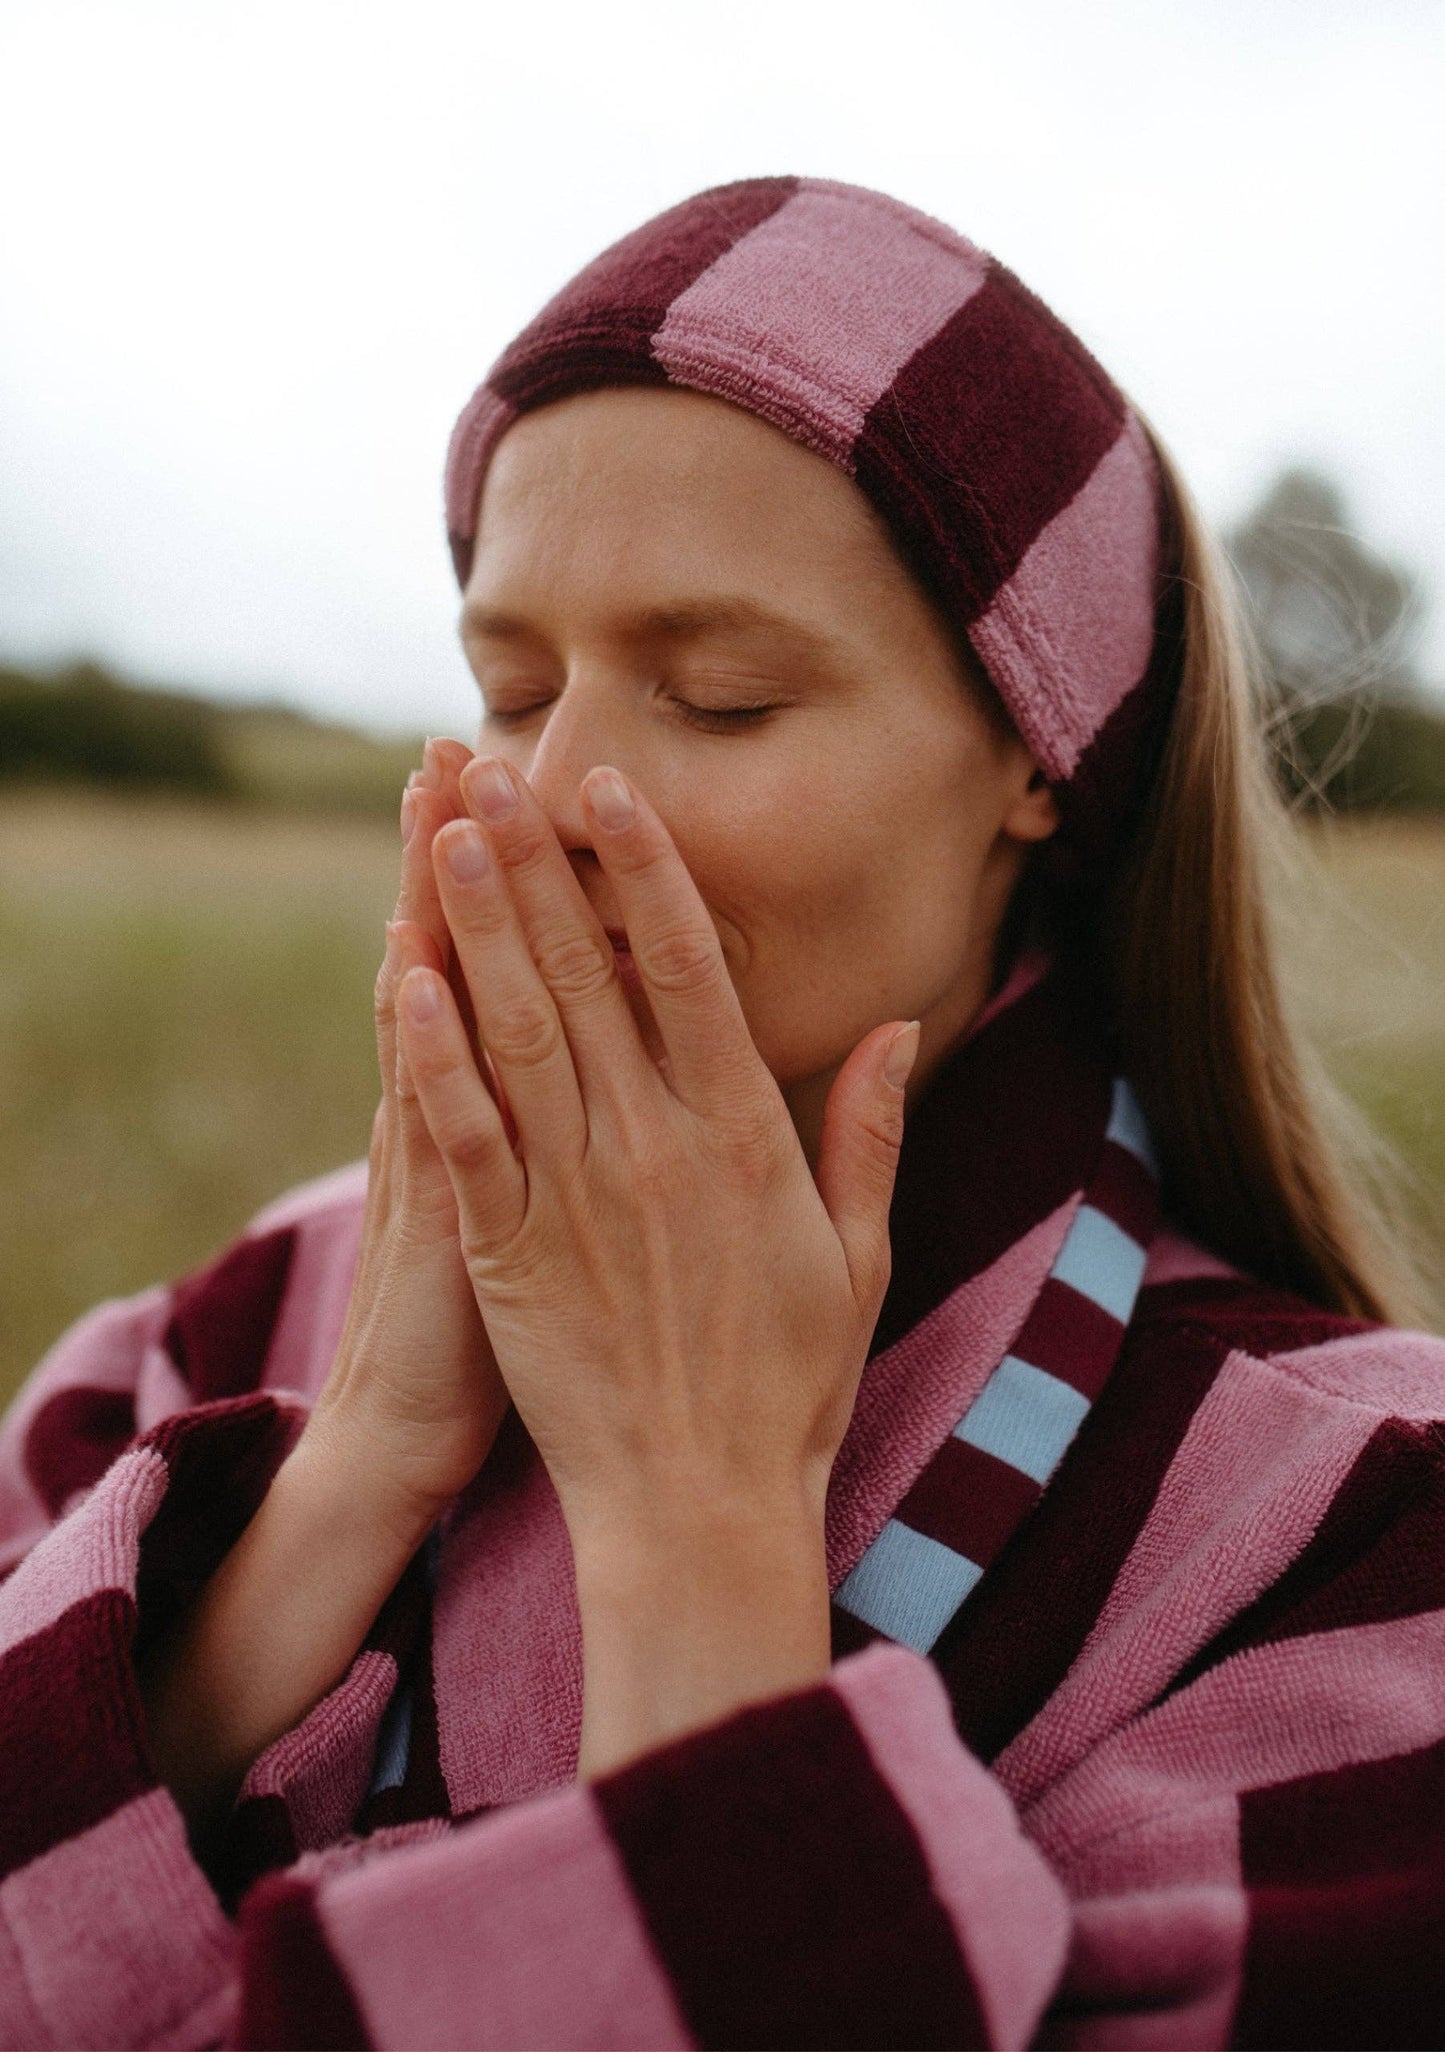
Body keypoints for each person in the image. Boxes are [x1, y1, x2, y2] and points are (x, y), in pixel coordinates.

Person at [0, 175, 1440, 2052]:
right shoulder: (216, 1334)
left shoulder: (1360, 1523)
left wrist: (697, 1527)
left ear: (1034, 755)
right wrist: (348, 1479)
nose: (559, 792)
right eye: (511, 691)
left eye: (722, 696)